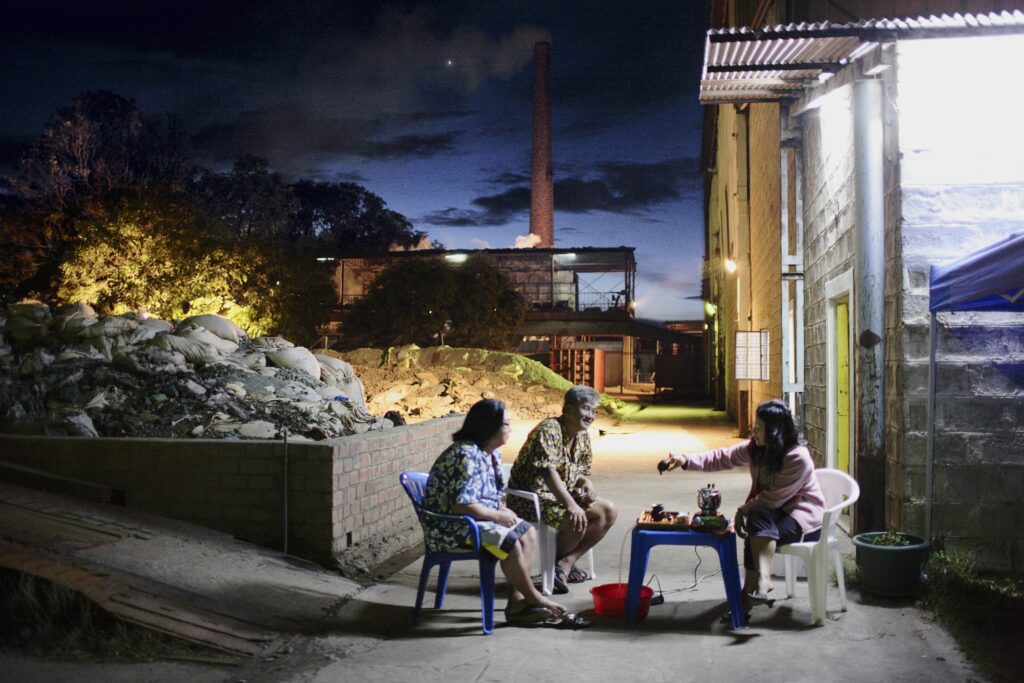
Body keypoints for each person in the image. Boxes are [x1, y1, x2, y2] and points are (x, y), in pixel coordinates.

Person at [423, 399, 589, 629]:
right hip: (455, 528)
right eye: (506, 425)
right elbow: (462, 506)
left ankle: (517, 604)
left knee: (527, 532)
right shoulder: (465, 456)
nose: (510, 429)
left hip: (476, 519)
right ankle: (534, 598)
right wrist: (498, 516)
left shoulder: (490, 454)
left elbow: (491, 496)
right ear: (488, 427)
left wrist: (502, 510)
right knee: (511, 542)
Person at [659, 398, 825, 615]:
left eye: (759, 429)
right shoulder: (756, 448)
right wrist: (685, 460)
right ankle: (757, 588)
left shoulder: (797, 458)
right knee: (756, 519)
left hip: (801, 520)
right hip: (769, 514)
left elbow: (773, 498)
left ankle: (750, 593)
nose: (753, 432)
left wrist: (742, 511)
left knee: (755, 523)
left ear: (775, 432)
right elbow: (722, 458)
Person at [508, 385, 617, 594]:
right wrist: (572, 505)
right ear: (567, 409)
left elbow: (582, 471)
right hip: (532, 498)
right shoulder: (549, 429)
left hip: (559, 497)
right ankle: (554, 568)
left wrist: (586, 484)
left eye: (594, 411)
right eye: (586, 409)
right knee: (576, 519)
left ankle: (565, 563)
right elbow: (549, 474)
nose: (590, 416)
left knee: (609, 510)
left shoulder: (583, 436)